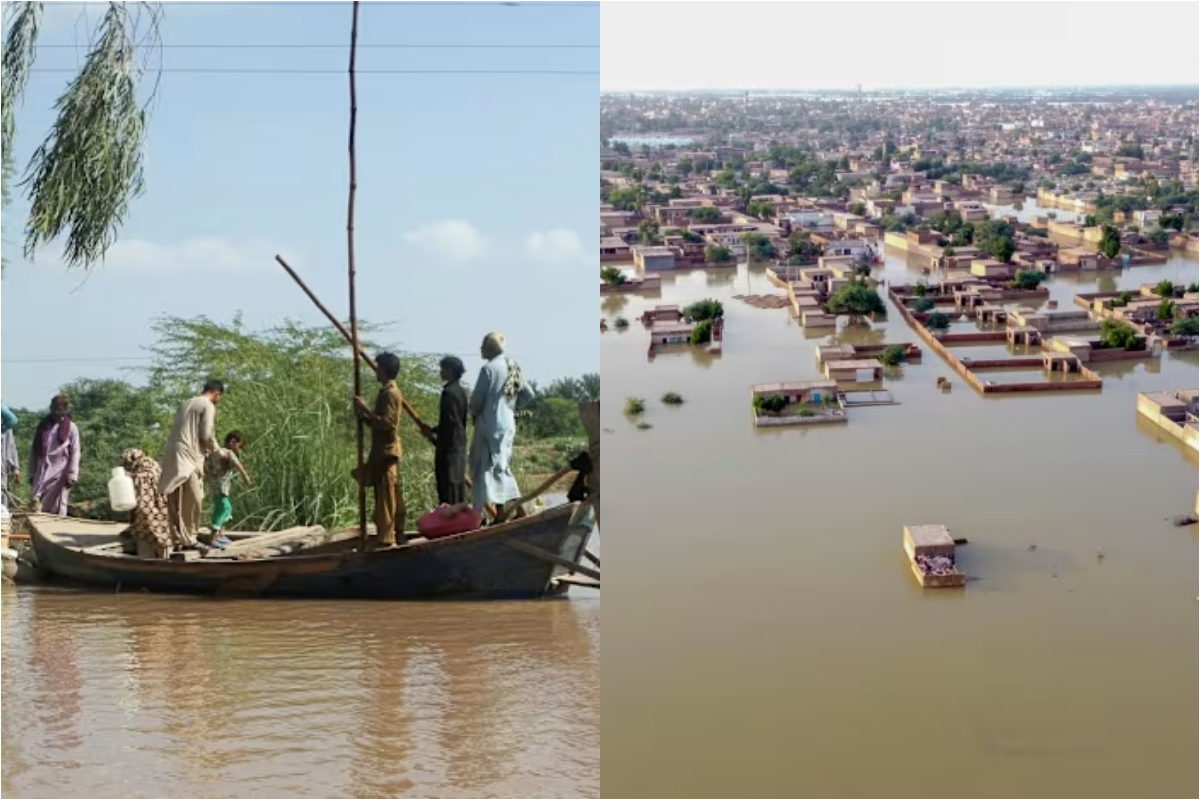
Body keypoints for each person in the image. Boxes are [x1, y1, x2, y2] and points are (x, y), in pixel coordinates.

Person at [468, 332, 535, 519]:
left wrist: (473, 412)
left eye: (483, 345)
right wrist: (510, 408)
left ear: (489, 348)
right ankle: (502, 512)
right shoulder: (512, 365)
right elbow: (528, 394)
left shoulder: (488, 369)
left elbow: (476, 401)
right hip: (507, 423)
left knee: (493, 467)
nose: (480, 349)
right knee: (500, 466)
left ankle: (508, 512)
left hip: (491, 424)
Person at [159, 379, 222, 549]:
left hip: (172, 452)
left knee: (174, 496)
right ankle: (190, 539)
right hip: (188, 455)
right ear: (217, 394)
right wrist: (218, 452)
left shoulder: (185, 403)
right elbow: (206, 435)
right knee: (194, 498)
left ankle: (175, 536)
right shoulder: (208, 405)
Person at [353, 352, 406, 546]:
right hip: (380, 452)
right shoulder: (385, 391)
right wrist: (364, 416)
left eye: (378, 367)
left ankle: (387, 539)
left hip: (387, 452)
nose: (376, 370)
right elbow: (378, 423)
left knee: (386, 498)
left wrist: (366, 409)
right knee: (385, 496)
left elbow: (387, 424)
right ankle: (392, 535)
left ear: (384, 370)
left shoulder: (391, 393)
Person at [422, 355, 469, 506]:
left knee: (447, 484)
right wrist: (433, 430)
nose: (440, 372)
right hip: (458, 443)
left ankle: (451, 521)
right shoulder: (461, 392)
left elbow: (450, 422)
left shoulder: (449, 393)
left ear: (450, 370)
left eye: (442, 369)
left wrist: (434, 433)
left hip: (449, 446)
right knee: (457, 483)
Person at [29, 394, 81, 515]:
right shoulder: (43, 426)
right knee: (37, 504)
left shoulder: (72, 428)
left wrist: (72, 475)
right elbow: (34, 451)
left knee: (58, 505)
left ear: (65, 410)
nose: (56, 412)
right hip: (42, 471)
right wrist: (32, 472)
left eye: (59, 410)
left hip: (60, 473)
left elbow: (75, 451)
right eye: (53, 409)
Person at [121, 448, 172, 558]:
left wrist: (132, 476)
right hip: (163, 510)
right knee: (161, 540)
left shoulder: (144, 465)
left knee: (147, 540)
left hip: (150, 512)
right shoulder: (150, 464)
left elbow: (148, 478)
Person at [204, 430, 251, 548]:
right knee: (223, 509)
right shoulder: (228, 453)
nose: (239, 449)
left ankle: (220, 535)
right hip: (221, 488)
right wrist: (246, 478)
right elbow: (239, 466)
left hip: (214, 487)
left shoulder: (214, 454)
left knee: (227, 508)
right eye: (239, 445)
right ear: (234, 442)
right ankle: (212, 537)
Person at [1, 424, 19, 508]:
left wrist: (16, 468)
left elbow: (12, 448)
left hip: (2, 468)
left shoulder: (6, 430)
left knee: (3, 493)